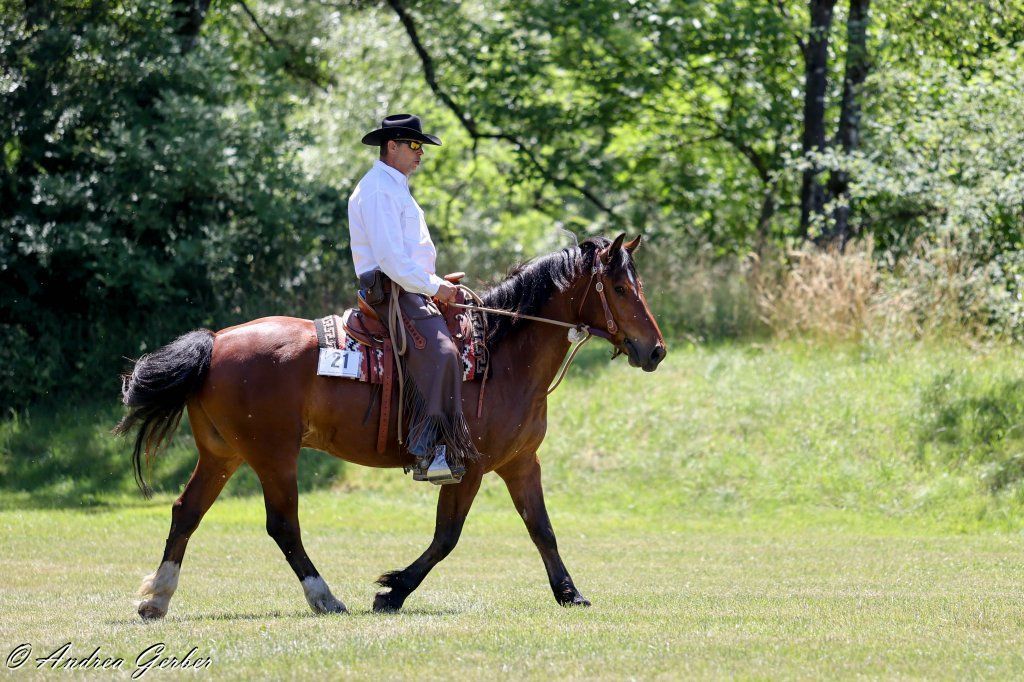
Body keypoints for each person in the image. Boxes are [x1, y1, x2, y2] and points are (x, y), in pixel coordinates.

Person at [347, 114, 478, 484]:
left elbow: (407, 256)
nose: (421, 154)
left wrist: (435, 282)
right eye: (415, 146)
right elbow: (391, 260)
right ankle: (431, 451)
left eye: (421, 147)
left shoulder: (393, 186)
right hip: (392, 290)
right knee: (443, 353)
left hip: (409, 286)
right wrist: (436, 288)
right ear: (393, 146)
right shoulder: (378, 190)